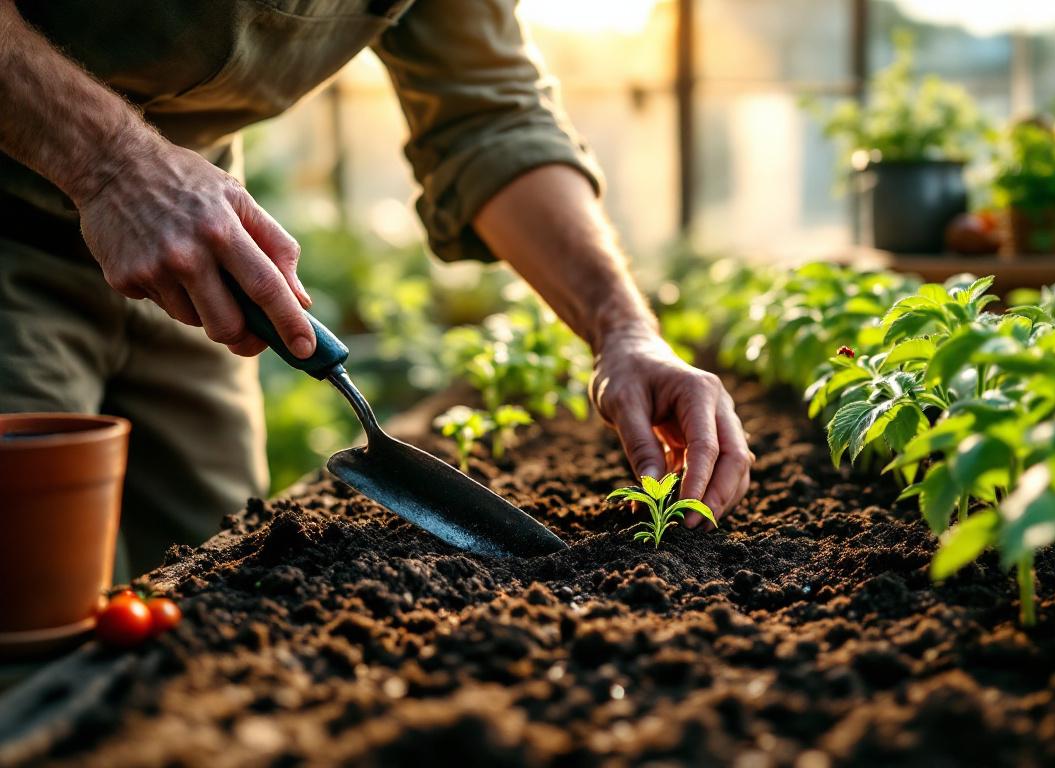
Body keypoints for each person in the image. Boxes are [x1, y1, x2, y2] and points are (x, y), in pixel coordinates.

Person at [0, 0, 752, 575]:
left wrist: (625, 329)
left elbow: (490, 117)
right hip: (34, 207)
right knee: (28, 610)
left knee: (219, 571)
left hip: (195, 255)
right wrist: (111, 162)